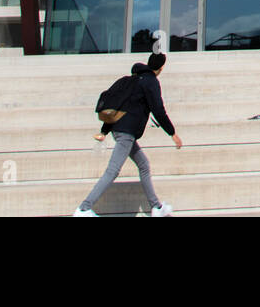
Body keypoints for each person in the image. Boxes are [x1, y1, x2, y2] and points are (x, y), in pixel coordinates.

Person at [74, 52, 182, 216]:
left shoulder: (134, 80)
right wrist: (172, 133)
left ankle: (157, 207)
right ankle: (83, 208)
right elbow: (158, 110)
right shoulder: (151, 82)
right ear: (161, 68)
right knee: (113, 171)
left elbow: (119, 106)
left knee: (144, 165)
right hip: (126, 132)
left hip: (120, 129)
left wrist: (105, 130)